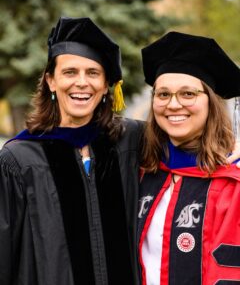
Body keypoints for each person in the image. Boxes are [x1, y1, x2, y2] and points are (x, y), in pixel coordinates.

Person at [0, 16, 142, 285]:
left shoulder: (130, 142)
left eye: (93, 73)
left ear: (105, 86)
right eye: (69, 72)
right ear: (51, 81)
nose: (81, 83)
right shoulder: (18, 160)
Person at [137, 32, 240, 285]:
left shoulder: (232, 182)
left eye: (188, 94)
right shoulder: (141, 171)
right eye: (163, 95)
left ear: (210, 103)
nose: (173, 105)